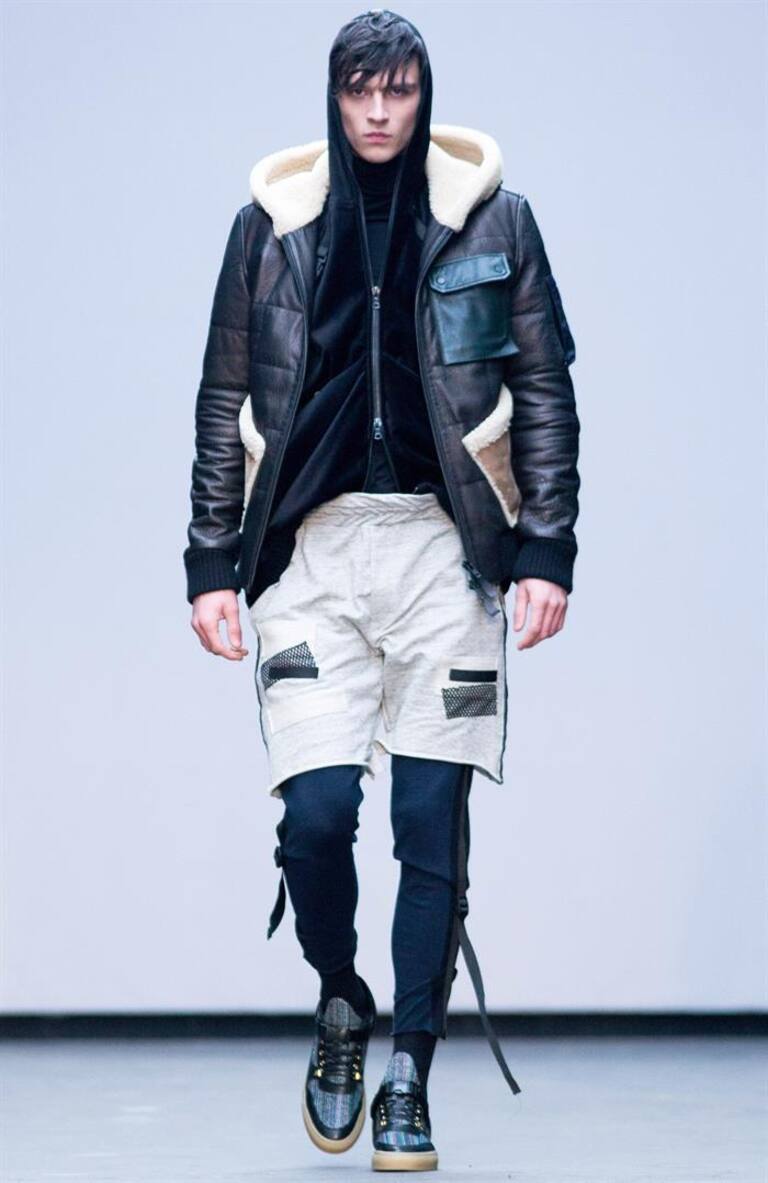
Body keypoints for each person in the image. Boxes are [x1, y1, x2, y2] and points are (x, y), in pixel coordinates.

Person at [183, 8, 580, 1172]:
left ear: (423, 95)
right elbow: (222, 394)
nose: (376, 110)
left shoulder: (495, 220)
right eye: (360, 89)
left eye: (397, 89)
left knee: (428, 824)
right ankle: (341, 997)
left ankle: (410, 1071)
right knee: (315, 818)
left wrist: (546, 549)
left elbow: (543, 387)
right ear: (334, 94)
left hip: (444, 551)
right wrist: (210, 562)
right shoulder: (269, 228)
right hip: (307, 555)